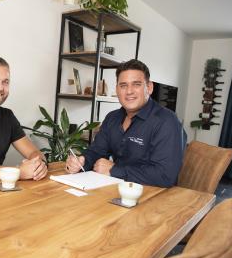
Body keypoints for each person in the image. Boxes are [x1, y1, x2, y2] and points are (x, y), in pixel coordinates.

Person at [66, 59, 186, 187]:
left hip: (153, 196)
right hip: (117, 189)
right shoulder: (112, 118)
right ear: (117, 89)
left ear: (149, 88)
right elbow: (97, 151)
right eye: (123, 85)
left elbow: (165, 175)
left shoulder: (167, 122)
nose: (129, 91)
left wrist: (114, 170)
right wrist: (82, 161)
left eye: (136, 84)